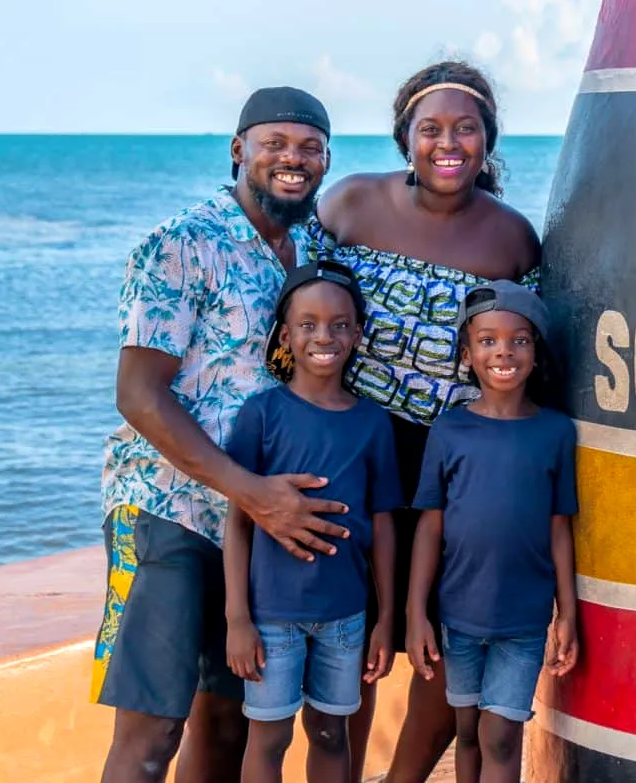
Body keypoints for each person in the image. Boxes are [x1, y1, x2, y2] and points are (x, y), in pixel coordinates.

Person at [95, 87, 357, 783]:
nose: (291, 160)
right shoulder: (182, 242)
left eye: (309, 148)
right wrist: (254, 492)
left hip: (256, 523)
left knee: (228, 723)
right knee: (152, 731)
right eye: (274, 144)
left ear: (327, 161)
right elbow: (138, 393)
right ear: (238, 150)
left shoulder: (311, 250)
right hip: (169, 510)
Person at [306, 61, 543, 781]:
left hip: (458, 465)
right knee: (351, 641)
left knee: (444, 645)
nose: (449, 143)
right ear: (404, 137)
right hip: (354, 451)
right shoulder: (348, 204)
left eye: (465, 128)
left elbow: (526, 359)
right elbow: (297, 323)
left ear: (487, 140)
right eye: (430, 128)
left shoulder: (513, 241)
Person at [221, 261, 403, 782]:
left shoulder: (373, 423)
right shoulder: (261, 414)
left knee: (330, 733)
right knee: (270, 736)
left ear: (357, 333)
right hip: (271, 616)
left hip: (346, 617)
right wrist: (238, 618)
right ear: (286, 333)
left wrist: (384, 619)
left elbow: (384, 526)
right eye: (308, 324)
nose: (324, 336)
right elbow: (239, 521)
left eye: (340, 324)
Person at [406, 281, 579, 783]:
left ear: (535, 351)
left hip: (524, 620)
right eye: (488, 341)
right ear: (467, 354)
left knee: (500, 735)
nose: (503, 351)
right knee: (467, 733)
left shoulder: (555, 432)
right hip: (459, 616)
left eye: (518, 340)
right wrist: (418, 613)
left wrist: (566, 612)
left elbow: (560, 526)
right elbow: (429, 526)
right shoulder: (450, 431)